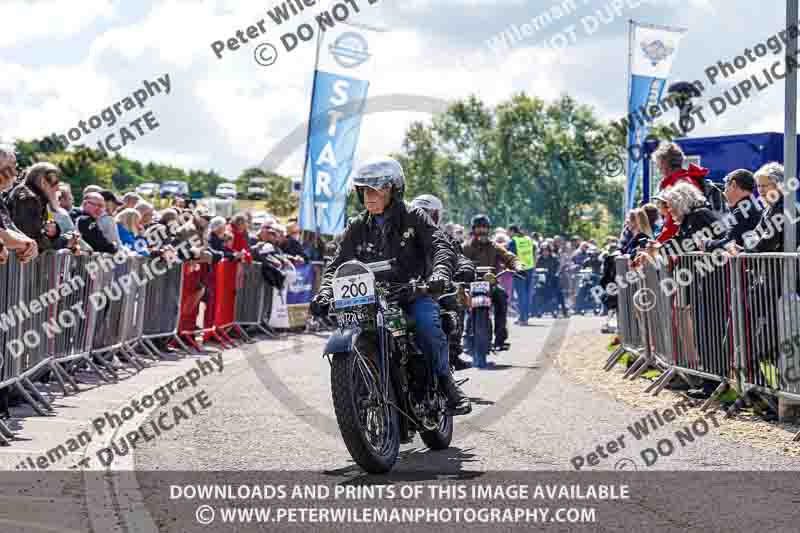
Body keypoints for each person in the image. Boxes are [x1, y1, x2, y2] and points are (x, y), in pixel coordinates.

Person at [309, 156, 469, 414]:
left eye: (377, 189)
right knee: (352, 326)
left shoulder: (414, 216)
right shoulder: (357, 226)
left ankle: (446, 384)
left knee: (427, 326)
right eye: (364, 190)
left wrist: (439, 274)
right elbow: (337, 264)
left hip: (413, 292)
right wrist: (326, 292)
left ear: (394, 190)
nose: (369, 196)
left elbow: (440, 246)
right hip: (371, 298)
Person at [410, 194, 475, 370]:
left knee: (454, 299)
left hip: (435, 287)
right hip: (405, 289)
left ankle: (451, 354)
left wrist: (465, 268)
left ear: (437, 216)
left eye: (429, 214)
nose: (424, 218)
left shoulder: (443, 238)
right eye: (420, 213)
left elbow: (457, 256)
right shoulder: (402, 237)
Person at [463, 214, 523, 351]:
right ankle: (461, 339)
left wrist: (517, 265)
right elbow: (456, 261)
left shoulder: (495, 247)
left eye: (484, 227)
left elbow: (509, 257)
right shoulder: (466, 247)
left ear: (488, 229)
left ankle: (500, 338)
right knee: (456, 301)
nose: (482, 230)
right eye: (479, 227)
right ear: (473, 229)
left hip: (491, 285)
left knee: (502, 297)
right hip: (470, 286)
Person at [653, 141, 710, 243]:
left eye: (658, 164)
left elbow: (673, 224)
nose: (658, 169)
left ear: (664, 163)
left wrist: (659, 244)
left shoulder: (678, 183)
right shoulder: (686, 179)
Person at [6, 161, 63, 252]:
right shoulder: (29, 199)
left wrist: (54, 232)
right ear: (43, 182)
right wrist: (63, 243)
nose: (58, 188)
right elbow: (30, 237)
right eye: (55, 183)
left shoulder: (37, 198)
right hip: (18, 257)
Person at [701, 169, 762, 252]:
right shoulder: (753, 206)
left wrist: (707, 244)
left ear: (733, 184)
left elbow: (729, 243)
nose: (724, 192)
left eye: (726, 188)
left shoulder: (742, 211)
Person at [743, 162, 787, 253]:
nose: (760, 190)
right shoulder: (768, 209)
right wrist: (747, 246)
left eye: (764, 186)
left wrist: (749, 246)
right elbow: (755, 235)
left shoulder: (783, 208)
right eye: (758, 186)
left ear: (778, 186)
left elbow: (766, 243)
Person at [507, 224, 535, 325]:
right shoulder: (528, 239)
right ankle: (525, 317)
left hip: (519, 269)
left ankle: (522, 318)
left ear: (512, 231)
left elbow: (510, 257)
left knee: (521, 295)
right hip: (530, 268)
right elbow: (534, 252)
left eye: (508, 232)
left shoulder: (513, 242)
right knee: (527, 294)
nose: (508, 234)